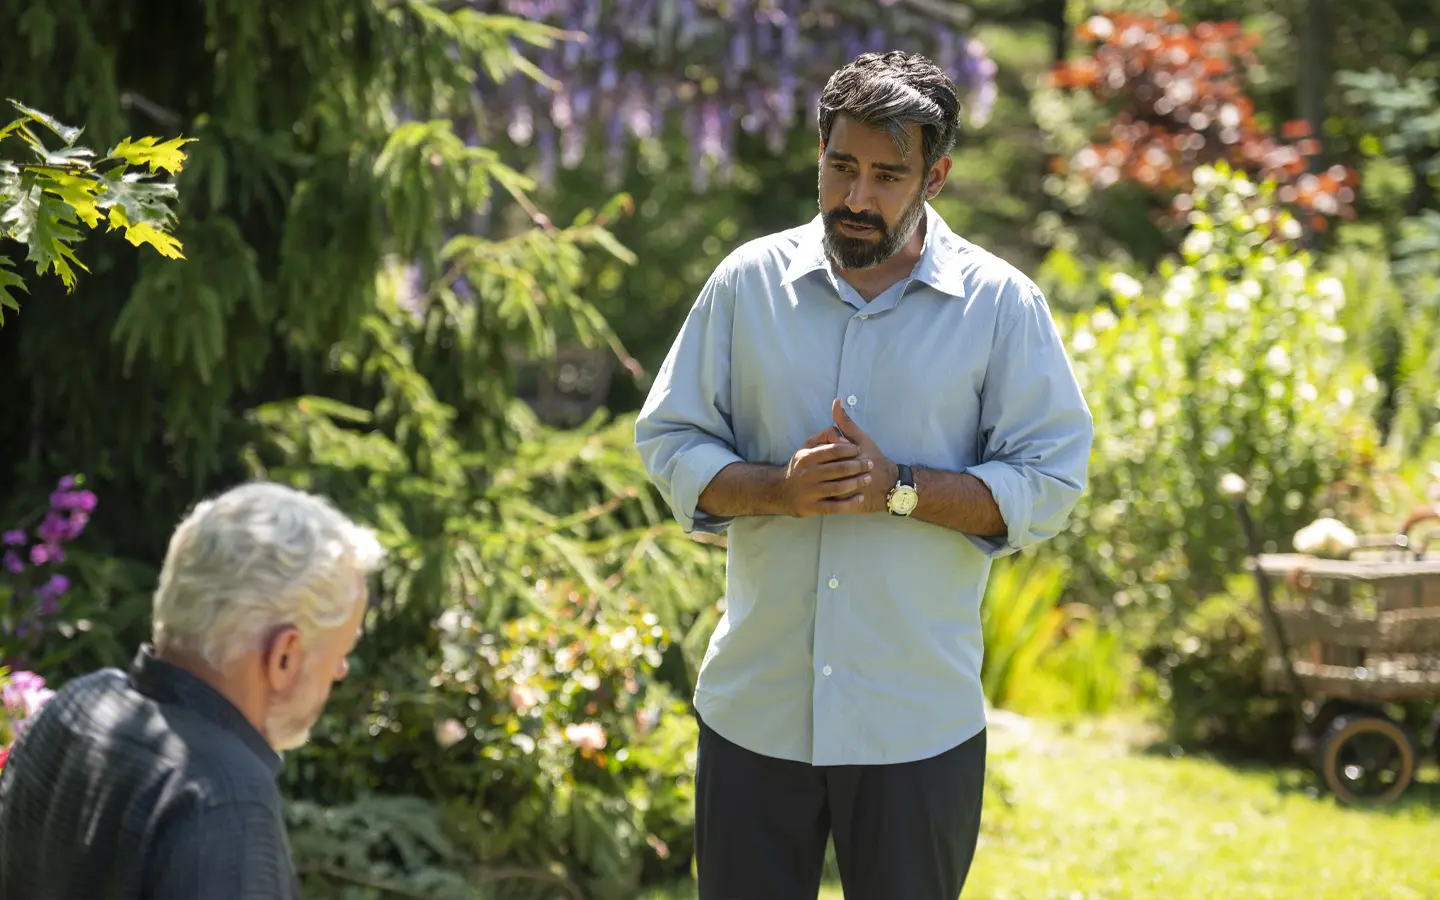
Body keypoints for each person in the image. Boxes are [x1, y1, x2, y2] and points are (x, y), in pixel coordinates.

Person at [635, 51, 1093, 900]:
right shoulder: (745, 285)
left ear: (935, 176)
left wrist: (899, 489)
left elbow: (1050, 482)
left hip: (916, 727)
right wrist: (778, 491)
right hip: (756, 715)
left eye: (887, 175)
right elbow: (670, 440)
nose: (856, 196)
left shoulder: (1002, 307)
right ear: (819, 153)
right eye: (842, 166)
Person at [0, 481, 383, 899]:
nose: (341, 670)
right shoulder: (224, 803)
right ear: (284, 656)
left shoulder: (75, 707)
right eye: (340, 652)